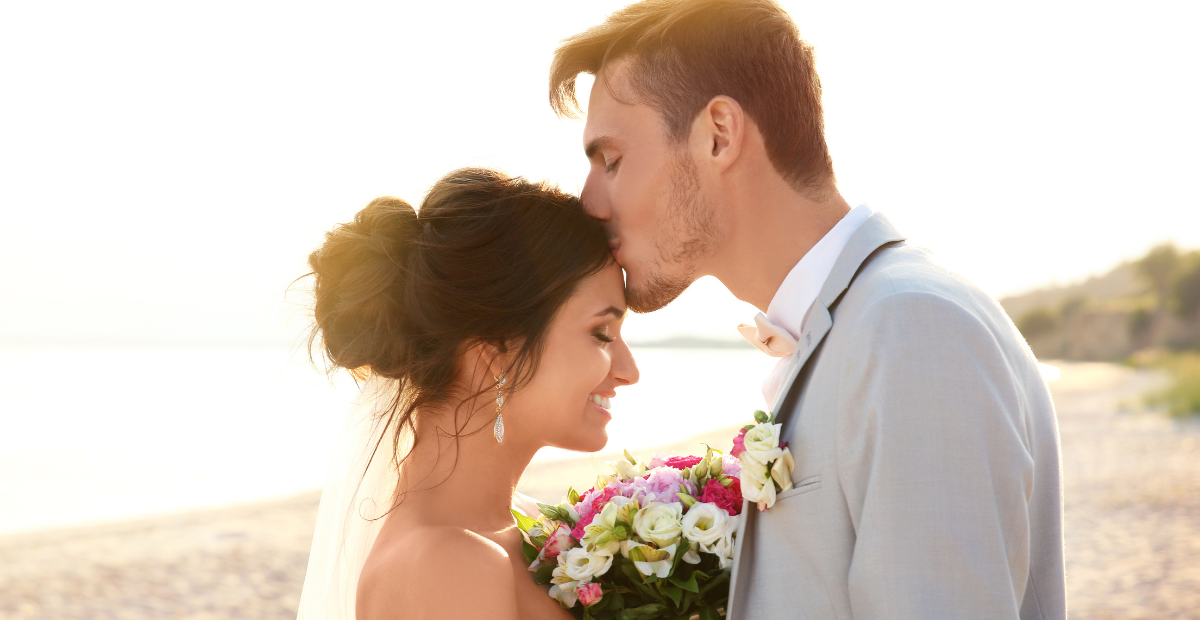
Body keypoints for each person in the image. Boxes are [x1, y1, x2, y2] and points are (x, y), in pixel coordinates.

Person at [550, 0, 1066, 618]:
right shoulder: (860, 324)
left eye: (612, 161)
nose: (589, 203)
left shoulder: (914, 329)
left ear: (719, 134)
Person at [296, 168, 639, 620]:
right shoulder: (443, 565)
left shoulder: (532, 531)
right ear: (494, 347)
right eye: (601, 333)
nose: (628, 371)